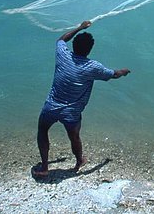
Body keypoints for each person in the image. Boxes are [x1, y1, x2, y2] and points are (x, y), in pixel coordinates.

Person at [33, 20, 130, 177]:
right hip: (71, 112)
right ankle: (79, 161)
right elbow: (114, 74)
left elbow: (61, 40)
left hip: (51, 106)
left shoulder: (62, 55)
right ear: (90, 50)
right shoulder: (93, 67)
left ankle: (44, 167)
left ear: (74, 46)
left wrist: (79, 28)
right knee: (74, 137)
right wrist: (124, 71)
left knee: (42, 130)